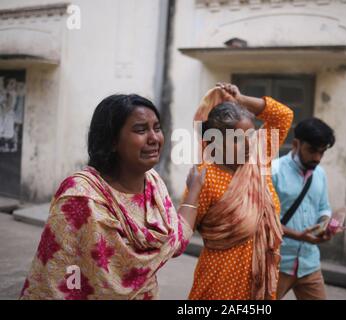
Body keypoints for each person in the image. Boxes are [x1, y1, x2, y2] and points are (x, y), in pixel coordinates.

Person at [20, 94, 205, 300]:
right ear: (112, 140)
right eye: (141, 130)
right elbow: (56, 280)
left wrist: (194, 189)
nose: (154, 138)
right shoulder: (80, 197)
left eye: (157, 128)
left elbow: (175, 241)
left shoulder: (153, 184)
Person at [187, 83, 293, 300]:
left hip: (260, 277)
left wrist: (240, 98)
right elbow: (181, 232)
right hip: (220, 281)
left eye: (250, 136)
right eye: (237, 139)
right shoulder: (205, 177)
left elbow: (283, 116)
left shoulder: (259, 159)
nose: (247, 144)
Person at [272, 117, 341, 300]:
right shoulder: (274, 171)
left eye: (322, 152)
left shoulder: (320, 174)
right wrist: (299, 236)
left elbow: (323, 207)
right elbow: (265, 222)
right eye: (312, 150)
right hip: (276, 263)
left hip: (309, 264)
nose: (317, 158)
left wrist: (325, 226)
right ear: (296, 144)